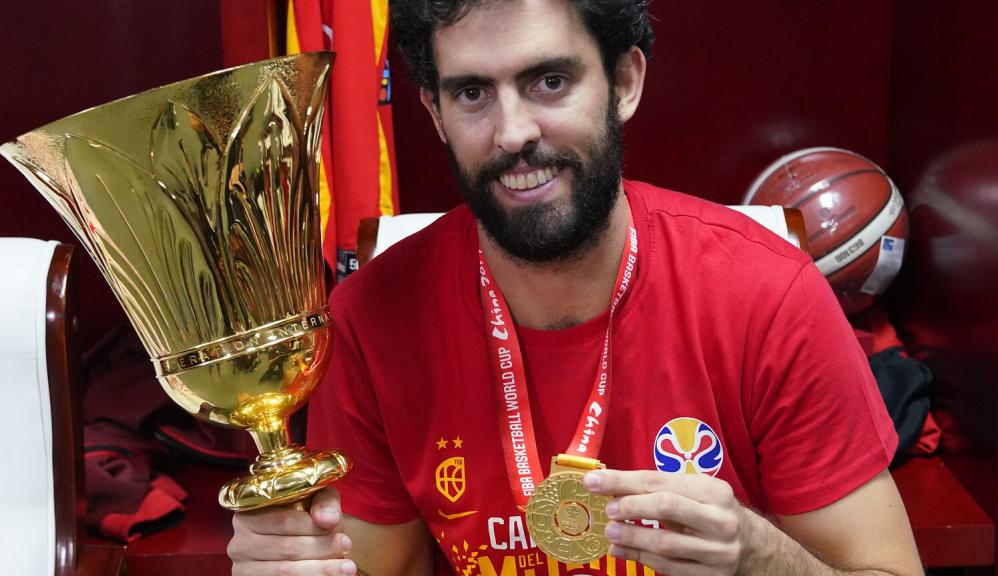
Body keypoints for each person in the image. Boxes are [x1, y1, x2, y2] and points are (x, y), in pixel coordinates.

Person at [228, 1, 924, 574]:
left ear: (625, 81)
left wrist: (759, 556)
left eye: (549, 81)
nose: (513, 133)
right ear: (435, 114)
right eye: (472, 93)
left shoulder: (769, 294)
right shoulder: (368, 318)